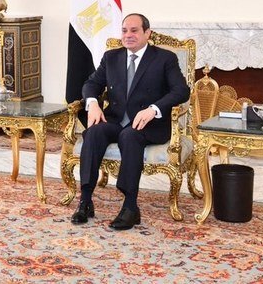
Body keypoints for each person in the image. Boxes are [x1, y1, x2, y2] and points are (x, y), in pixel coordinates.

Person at [70, 13, 189, 230]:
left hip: (147, 125)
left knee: (130, 136)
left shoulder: (165, 58)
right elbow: (91, 84)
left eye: (134, 30)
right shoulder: (111, 57)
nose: (128, 35)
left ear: (147, 33)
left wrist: (154, 109)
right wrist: (92, 103)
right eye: (124, 31)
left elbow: (181, 90)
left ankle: (130, 206)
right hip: (116, 120)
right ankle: (85, 200)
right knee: (94, 132)